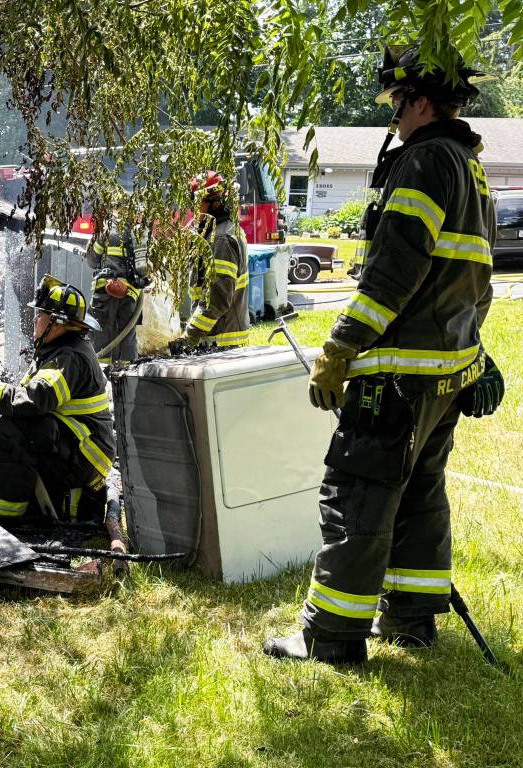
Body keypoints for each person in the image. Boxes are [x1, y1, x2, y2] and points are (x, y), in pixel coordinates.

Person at [265, 44, 505, 664]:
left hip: (395, 375)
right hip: (444, 374)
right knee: (421, 495)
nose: (394, 118)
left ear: (422, 104)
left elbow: (396, 269)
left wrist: (341, 345)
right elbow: (475, 277)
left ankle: (332, 638)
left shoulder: (425, 162)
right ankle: (411, 620)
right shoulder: (470, 170)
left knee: (358, 496)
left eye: (399, 105)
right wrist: (474, 353)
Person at [0, 275, 115, 523]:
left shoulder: (68, 356)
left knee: (13, 428)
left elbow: (34, 400)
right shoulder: (59, 348)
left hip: (87, 456)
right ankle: (28, 505)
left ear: (57, 323)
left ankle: (3, 515)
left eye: (40, 315)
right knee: (25, 425)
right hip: (81, 445)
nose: (35, 320)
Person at [175, 171, 249, 349]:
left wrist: (190, 334)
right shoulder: (220, 231)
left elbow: (217, 298)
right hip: (214, 337)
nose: (193, 210)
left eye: (196, 203)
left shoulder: (221, 239)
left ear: (214, 203)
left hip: (221, 341)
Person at [85, 228, 150, 366]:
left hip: (105, 291)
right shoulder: (139, 232)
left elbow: (92, 261)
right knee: (128, 334)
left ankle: (103, 372)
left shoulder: (106, 229)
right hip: (131, 293)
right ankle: (128, 372)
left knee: (101, 331)